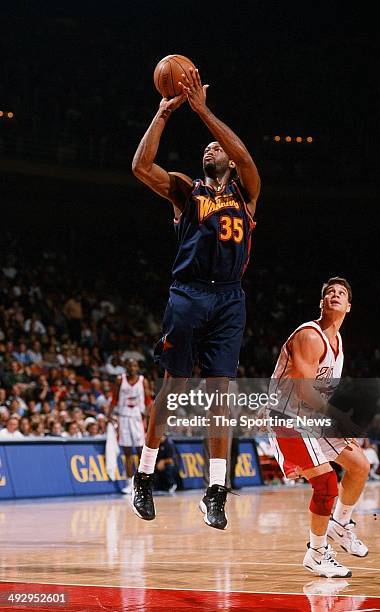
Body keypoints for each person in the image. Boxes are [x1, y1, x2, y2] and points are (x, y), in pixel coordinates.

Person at [131, 66, 260, 529]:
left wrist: (204, 112)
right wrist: (163, 116)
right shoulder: (187, 190)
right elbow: (140, 168)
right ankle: (144, 476)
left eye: (217, 146)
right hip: (187, 295)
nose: (212, 147)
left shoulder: (247, 194)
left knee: (221, 397)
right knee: (172, 389)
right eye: (207, 145)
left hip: (229, 299)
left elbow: (243, 153)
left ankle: (216, 491)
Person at [268, 277, 370, 577]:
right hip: (286, 417)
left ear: (348, 307)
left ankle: (340, 524)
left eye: (341, 294)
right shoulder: (310, 336)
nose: (335, 295)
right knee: (325, 484)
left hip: (309, 418)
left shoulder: (338, 344)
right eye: (329, 293)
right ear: (322, 303)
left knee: (360, 466)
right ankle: (316, 553)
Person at [108, 359, 150, 494]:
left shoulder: (143, 380)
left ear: (138, 367)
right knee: (127, 453)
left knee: (140, 451)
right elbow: (114, 398)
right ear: (126, 367)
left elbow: (148, 401)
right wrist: (109, 414)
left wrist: (149, 419)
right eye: (130, 365)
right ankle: (129, 483)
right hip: (124, 417)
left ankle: (142, 483)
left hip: (138, 418)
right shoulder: (120, 380)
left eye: (134, 365)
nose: (132, 367)